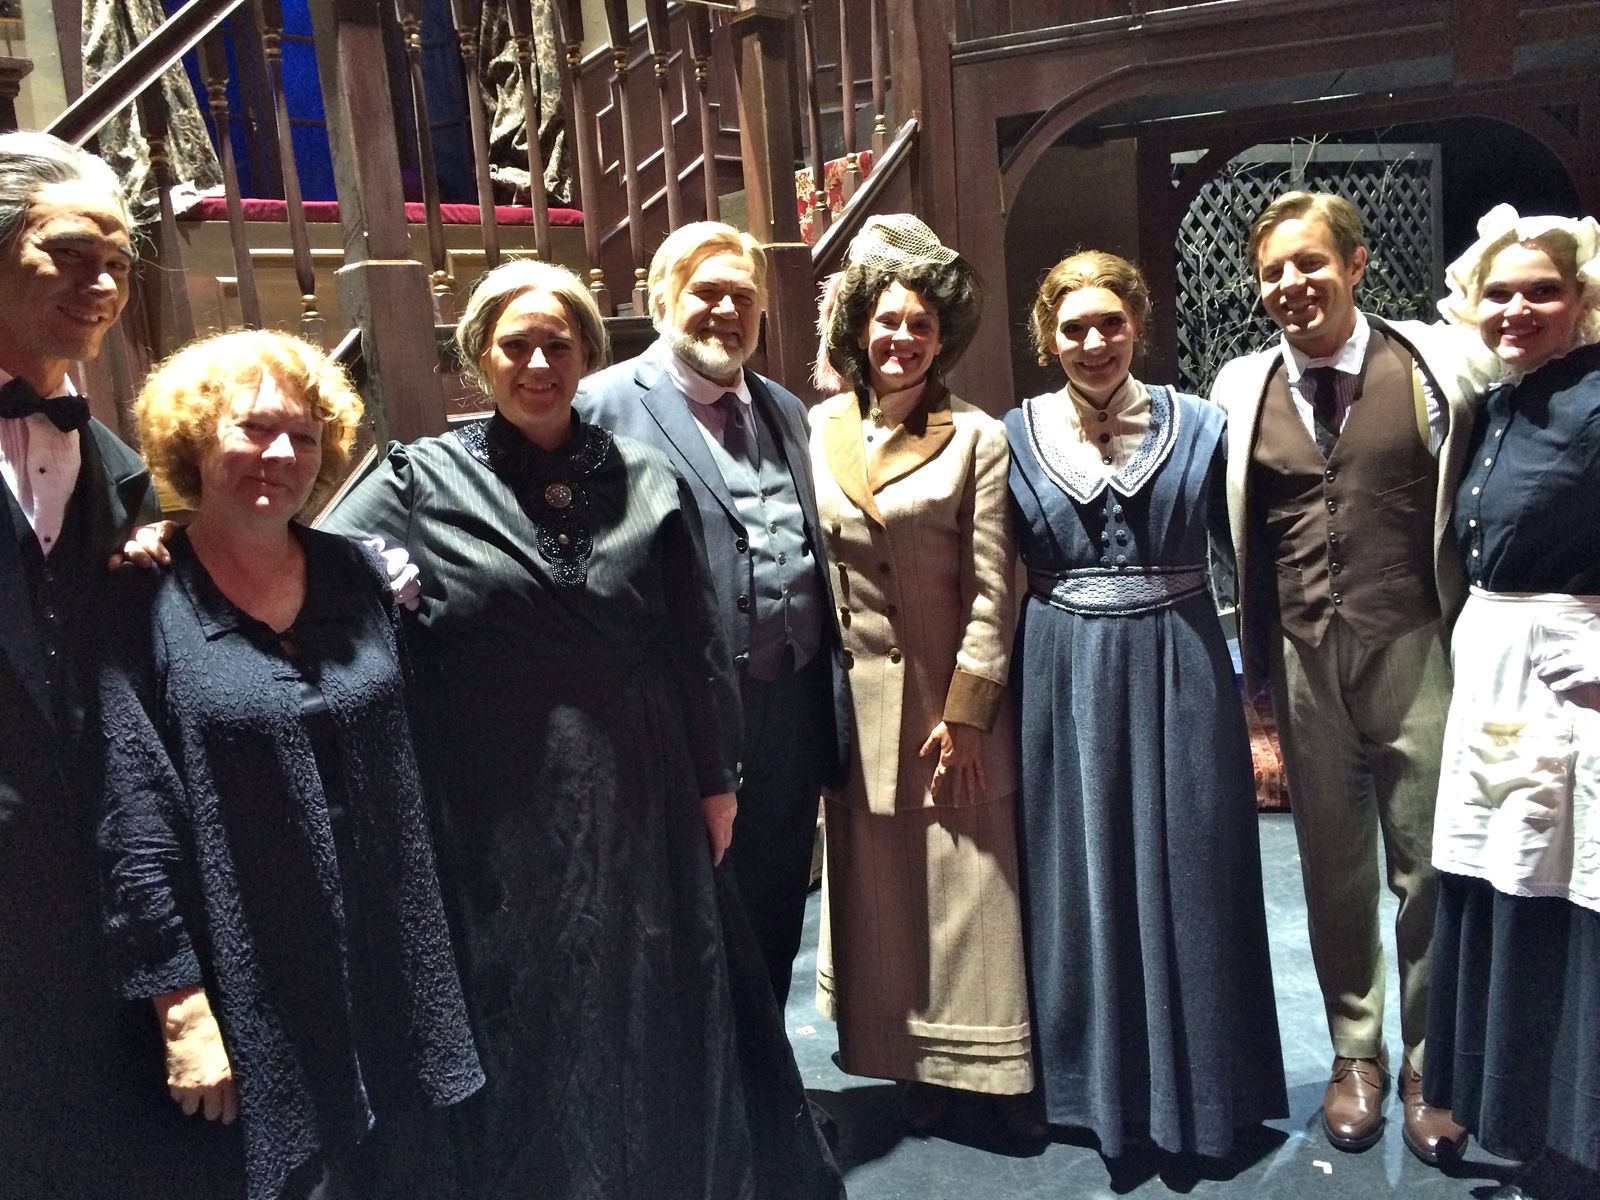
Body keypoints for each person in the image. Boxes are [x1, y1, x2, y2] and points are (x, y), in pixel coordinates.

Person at [322, 258, 842, 1200]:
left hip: (642, 774)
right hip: (496, 787)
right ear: (480, 357)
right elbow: (311, 555)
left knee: (649, 979)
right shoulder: (420, 476)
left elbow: (693, 638)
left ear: (586, 355)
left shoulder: (644, 476)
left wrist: (715, 780)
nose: (537, 364)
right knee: (528, 989)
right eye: (515, 345)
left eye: (557, 345)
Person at [90, 331, 483, 1200]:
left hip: (389, 956)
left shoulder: (359, 573)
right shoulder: (143, 595)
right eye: (253, 429)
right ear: (195, 439)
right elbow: (134, 818)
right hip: (251, 971)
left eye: (303, 437)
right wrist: (181, 1008)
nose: (280, 455)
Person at [1208, 191, 1489, 1163]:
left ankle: (1429, 1062)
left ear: (1356, 264)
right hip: (1300, 652)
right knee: (1331, 865)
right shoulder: (1240, 388)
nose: (1291, 284)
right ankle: (1355, 1053)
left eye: (1310, 263)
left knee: (1429, 864)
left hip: (1414, 641)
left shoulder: (1433, 365)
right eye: (1273, 271)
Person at [0, 130, 239, 1199]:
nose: (100, 284)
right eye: (68, 253)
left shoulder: (123, 473)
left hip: (95, 910)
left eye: (115, 262)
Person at [1008, 248, 1286, 1159]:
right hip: (1060, 674)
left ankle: (1202, 1093)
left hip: (1182, 664)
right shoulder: (1012, 435)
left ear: (1139, 325)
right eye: (1074, 328)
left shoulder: (1203, 426)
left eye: (1110, 323)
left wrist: (1268, 685)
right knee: (1075, 874)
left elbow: (1256, 555)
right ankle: (1087, 1090)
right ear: (1048, 338)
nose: (1094, 342)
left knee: (1194, 867)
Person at [577, 221, 850, 1009]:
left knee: (774, 904)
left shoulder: (785, 409)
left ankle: (769, 1077)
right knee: (688, 918)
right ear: (662, 300)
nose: (727, 311)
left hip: (791, 704)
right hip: (679, 711)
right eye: (707, 292)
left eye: (743, 296)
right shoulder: (601, 407)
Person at [809, 215, 1038, 1137]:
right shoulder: (819, 429)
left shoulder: (976, 437)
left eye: (921, 325)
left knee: (970, 890)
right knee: (888, 895)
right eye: (888, 321)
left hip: (947, 711)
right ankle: (908, 1065)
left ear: (942, 340)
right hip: (856, 709)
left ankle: (994, 1077)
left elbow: (995, 588)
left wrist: (971, 711)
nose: (902, 338)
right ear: (860, 329)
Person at [1423, 205, 1600, 1200]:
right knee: (1499, 874)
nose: (1516, 309)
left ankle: (1576, 1131)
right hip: (1492, 665)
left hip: (1574, 674)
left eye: (1542, 291)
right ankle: (1512, 1106)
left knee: (1566, 883)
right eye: (1499, 293)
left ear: (1582, 300)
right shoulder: (1496, 402)